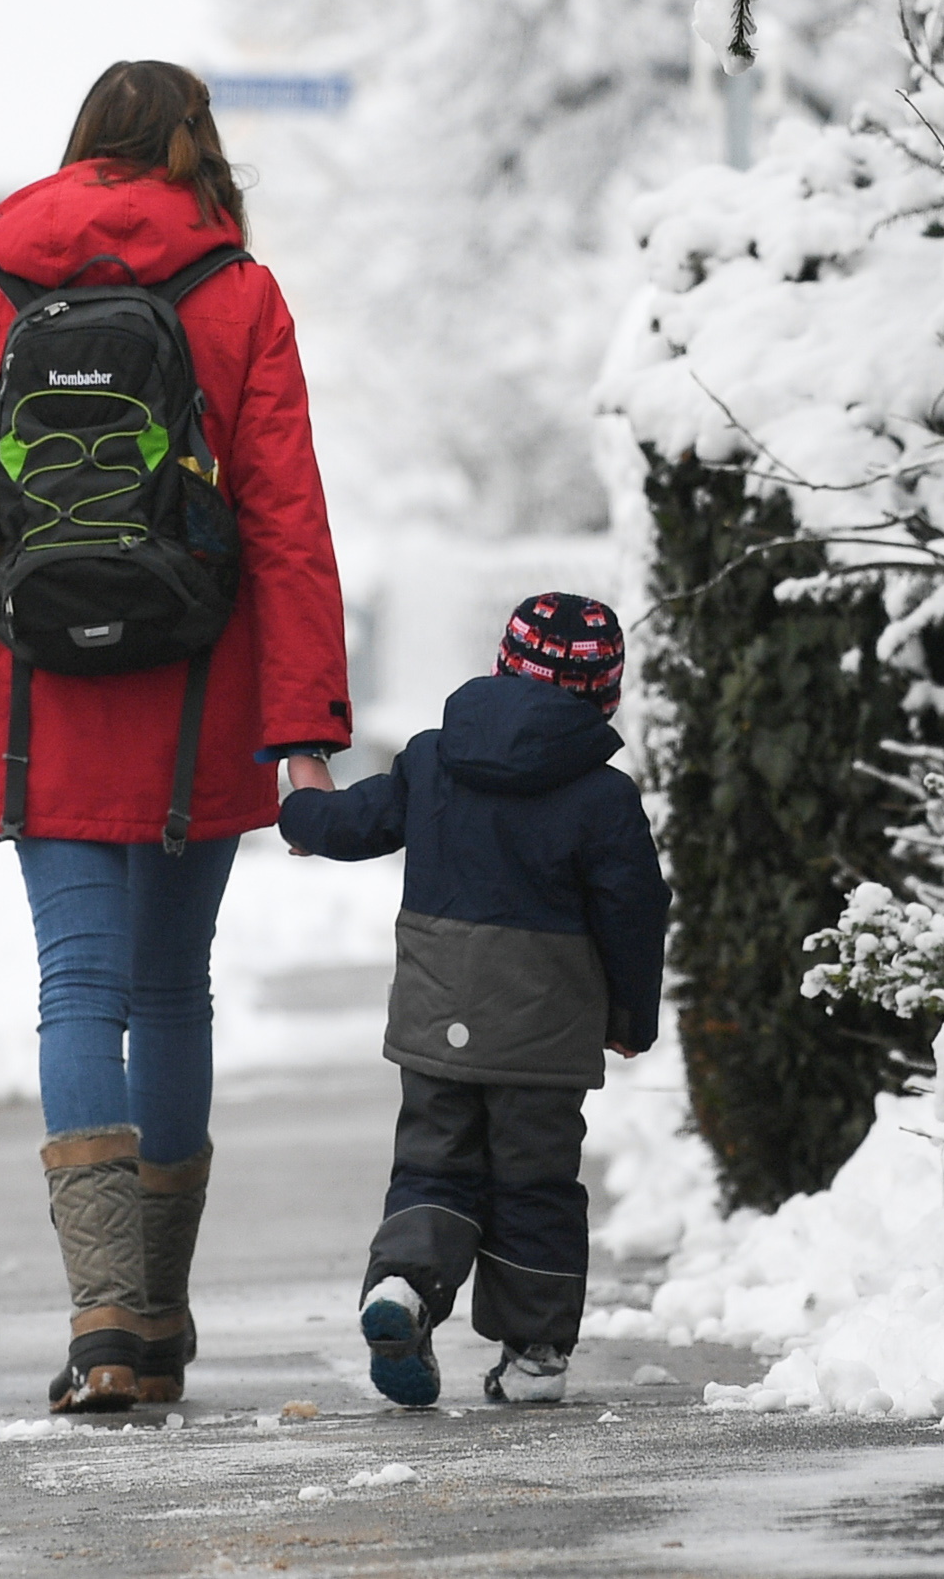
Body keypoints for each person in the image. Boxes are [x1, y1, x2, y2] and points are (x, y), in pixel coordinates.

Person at [0, 59, 352, 1416]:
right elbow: (284, 518)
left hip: (39, 695)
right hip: (197, 697)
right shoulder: (238, 294)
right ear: (195, 150)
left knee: (76, 990)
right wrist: (306, 727)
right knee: (170, 991)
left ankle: (101, 1318)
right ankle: (156, 1317)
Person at [275, 590, 669, 1409]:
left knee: (433, 1162)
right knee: (535, 1183)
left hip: (435, 1012)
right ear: (607, 694)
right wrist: (631, 1016)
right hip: (544, 1033)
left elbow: (353, 824)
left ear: (502, 667)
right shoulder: (604, 798)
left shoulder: (431, 758)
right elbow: (635, 910)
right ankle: (533, 1356)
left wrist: (302, 804)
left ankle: (404, 1288)